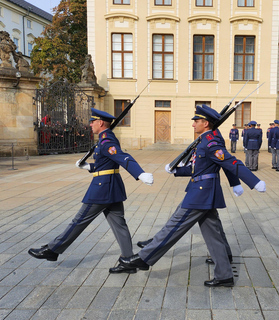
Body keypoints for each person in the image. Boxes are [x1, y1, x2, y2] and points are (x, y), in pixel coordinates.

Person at [119, 105, 266, 287]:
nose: (193, 124)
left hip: (201, 193)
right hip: (203, 190)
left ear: (205, 123)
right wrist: (177, 171)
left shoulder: (211, 142)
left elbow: (231, 162)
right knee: (213, 233)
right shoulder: (204, 140)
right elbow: (198, 168)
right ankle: (224, 274)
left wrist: (253, 181)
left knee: (174, 226)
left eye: (196, 121)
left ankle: (143, 258)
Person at [28, 108, 154, 274]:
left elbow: (122, 157)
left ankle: (52, 249)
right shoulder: (104, 138)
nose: (90, 124)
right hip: (111, 186)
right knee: (119, 225)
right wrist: (89, 166)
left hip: (102, 189)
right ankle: (127, 261)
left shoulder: (107, 139)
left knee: (79, 220)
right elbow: (105, 164)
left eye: (92, 121)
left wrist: (140, 173)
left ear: (100, 123)